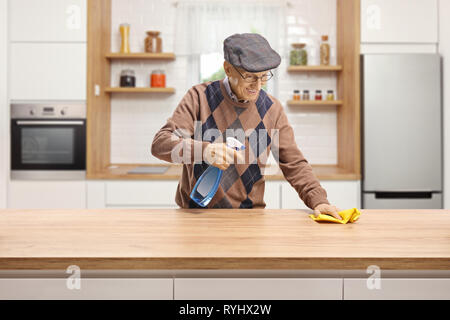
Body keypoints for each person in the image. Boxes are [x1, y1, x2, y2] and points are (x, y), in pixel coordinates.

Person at [152, 33, 342, 220]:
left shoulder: (272, 109)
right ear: (228, 69)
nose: (258, 86)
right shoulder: (198, 97)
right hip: (194, 215)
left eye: (264, 76)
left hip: (250, 217)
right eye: (250, 76)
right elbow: (161, 143)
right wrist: (205, 150)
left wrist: (318, 200)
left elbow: (294, 163)